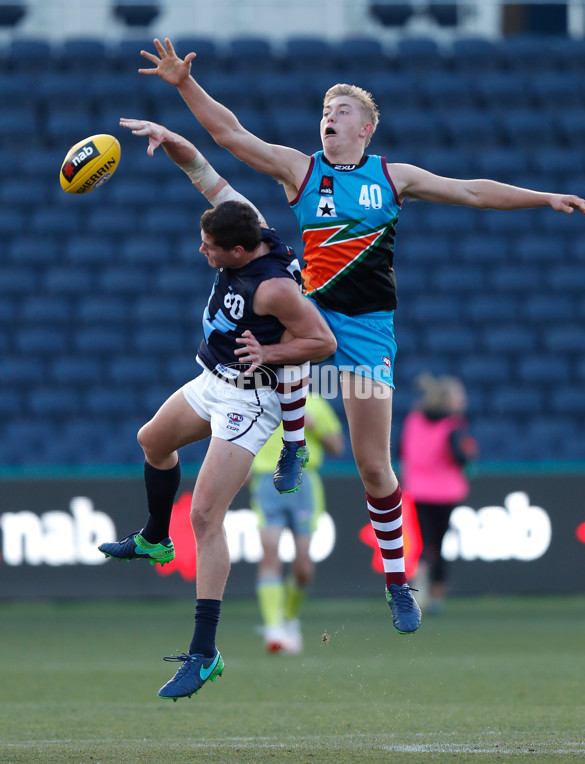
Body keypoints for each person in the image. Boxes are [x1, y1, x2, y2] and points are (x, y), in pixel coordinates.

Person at [136, 38, 585, 636]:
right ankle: (293, 444)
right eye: (325, 110)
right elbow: (230, 136)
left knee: (373, 467)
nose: (330, 116)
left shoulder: (392, 176)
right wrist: (183, 85)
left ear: (367, 128)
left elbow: (472, 190)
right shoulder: (302, 171)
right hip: (309, 321)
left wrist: (543, 198)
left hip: (370, 333)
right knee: (273, 350)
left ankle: (399, 582)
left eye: (342, 110)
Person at [98, 119, 337, 701]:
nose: (200, 250)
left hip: (250, 400)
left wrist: (272, 349)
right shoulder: (243, 221)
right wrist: (168, 137)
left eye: (208, 247)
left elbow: (324, 342)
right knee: (151, 440)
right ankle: (156, 537)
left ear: (237, 250)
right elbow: (204, 172)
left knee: (206, 516)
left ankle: (204, 653)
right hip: (213, 379)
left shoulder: (274, 287)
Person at [250, 392, 343, 654]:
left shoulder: (314, 403)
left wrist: (315, 427)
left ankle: (289, 618)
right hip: (267, 483)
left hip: (304, 484)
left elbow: (337, 447)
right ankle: (273, 629)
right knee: (270, 555)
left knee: (303, 564)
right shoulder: (260, 401)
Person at [400, 374, 478, 615]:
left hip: (418, 489)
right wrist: (469, 453)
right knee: (439, 544)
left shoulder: (413, 420)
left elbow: (400, 448)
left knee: (424, 541)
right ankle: (436, 594)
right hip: (446, 492)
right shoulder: (453, 424)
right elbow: (458, 456)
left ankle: (419, 586)